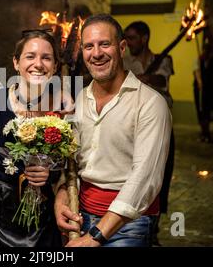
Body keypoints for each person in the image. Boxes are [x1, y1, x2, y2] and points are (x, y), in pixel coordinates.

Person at [54, 14, 171, 247]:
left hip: (129, 225)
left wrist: (95, 236)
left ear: (122, 47)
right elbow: (72, 162)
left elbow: (144, 180)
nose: (96, 53)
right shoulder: (79, 100)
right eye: (88, 46)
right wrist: (61, 197)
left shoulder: (150, 103)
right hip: (82, 215)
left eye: (104, 44)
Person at [0, 30, 72, 247]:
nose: (38, 64)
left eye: (46, 58)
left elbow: (69, 170)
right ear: (16, 62)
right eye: (30, 56)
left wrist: (51, 175)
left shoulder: (62, 110)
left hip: (40, 217)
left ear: (55, 66)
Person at [123, 21, 175, 245]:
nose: (128, 42)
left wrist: (143, 79)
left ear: (144, 38)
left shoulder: (163, 60)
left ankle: (153, 229)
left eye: (133, 37)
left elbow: (161, 79)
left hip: (160, 128)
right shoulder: (125, 60)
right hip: (131, 128)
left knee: (159, 178)